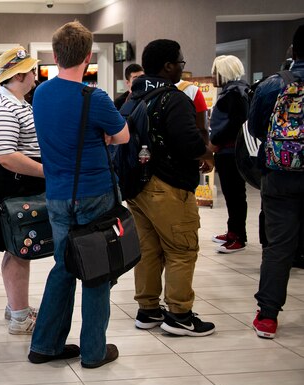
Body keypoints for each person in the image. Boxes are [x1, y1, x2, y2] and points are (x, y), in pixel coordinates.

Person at [28, 21, 129, 369]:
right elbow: (124, 136)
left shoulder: (40, 93)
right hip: (94, 193)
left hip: (56, 193)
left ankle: (45, 344)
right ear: (87, 57)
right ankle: (93, 350)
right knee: (96, 268)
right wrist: (103, 136)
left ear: (55, 56)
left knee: (64, 264)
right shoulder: (94, 97)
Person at [126, 39, 216, 337]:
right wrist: (206, 153)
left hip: (136, 186)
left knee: (148, 249)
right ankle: (180, 315)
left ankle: (148, 310)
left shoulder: (132, 97)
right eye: (180, 62)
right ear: (167, 66)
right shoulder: (173, 99)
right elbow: (190, 143)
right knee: (181, 249)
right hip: (169, 186)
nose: (182, 67)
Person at [0, 45, 45, 335]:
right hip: (14, 185)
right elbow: (5, 155)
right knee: (19, 250)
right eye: (31, 70)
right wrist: (45, 171)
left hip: (19, 183)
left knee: (18, 249)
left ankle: (17, 305)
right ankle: (19, 316)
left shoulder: (18, 102)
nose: (35, 76)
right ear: (20, 74)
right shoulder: (5, 106)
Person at [251, 24, 304, 339]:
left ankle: (268, 316)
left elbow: (258, 128)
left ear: (293, 51)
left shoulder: (273, 85)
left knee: (278, 247)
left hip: (279, 176)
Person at [209, 55, 250, 254]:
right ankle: (233, 231)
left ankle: (238, 237)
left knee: (234, 195)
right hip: (227, 151)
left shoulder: (234, 94)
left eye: (216, 71)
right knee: (232, 194)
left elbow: (236, 124)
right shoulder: (234, 92)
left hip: (230, 152)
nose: (212, 76)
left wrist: (215, 141)